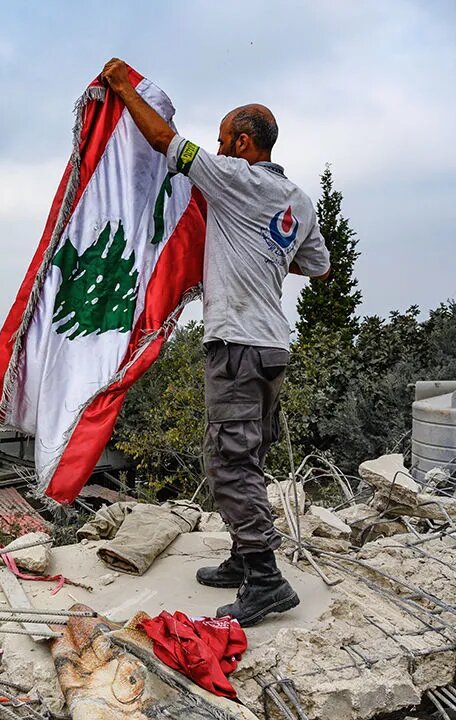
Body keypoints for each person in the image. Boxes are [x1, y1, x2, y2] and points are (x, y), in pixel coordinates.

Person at [99, 58, 331, 627]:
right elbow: (318, 264)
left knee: (229, 463)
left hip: (238, 345)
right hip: (272, 344)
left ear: (246, 143)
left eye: (226, 140)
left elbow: (162, 140)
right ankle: (240, 556)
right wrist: (265, 253)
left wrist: (124, 87)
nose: (220, 150)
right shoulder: (297, 200)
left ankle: (266, 580)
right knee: (245, 453)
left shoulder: (238, 180)